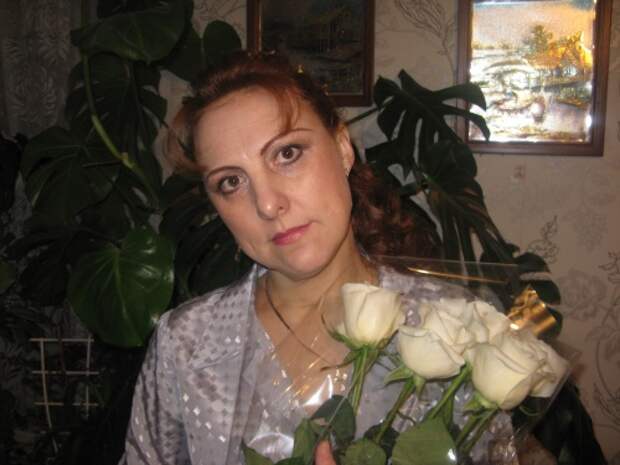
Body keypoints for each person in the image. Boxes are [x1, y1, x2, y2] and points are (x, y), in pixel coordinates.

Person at [120, 51, 511, 465]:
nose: (267, 204)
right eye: (231, 181)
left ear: (343, 149)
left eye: (287, 154)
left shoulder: (457, 327)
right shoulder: (187, 343)